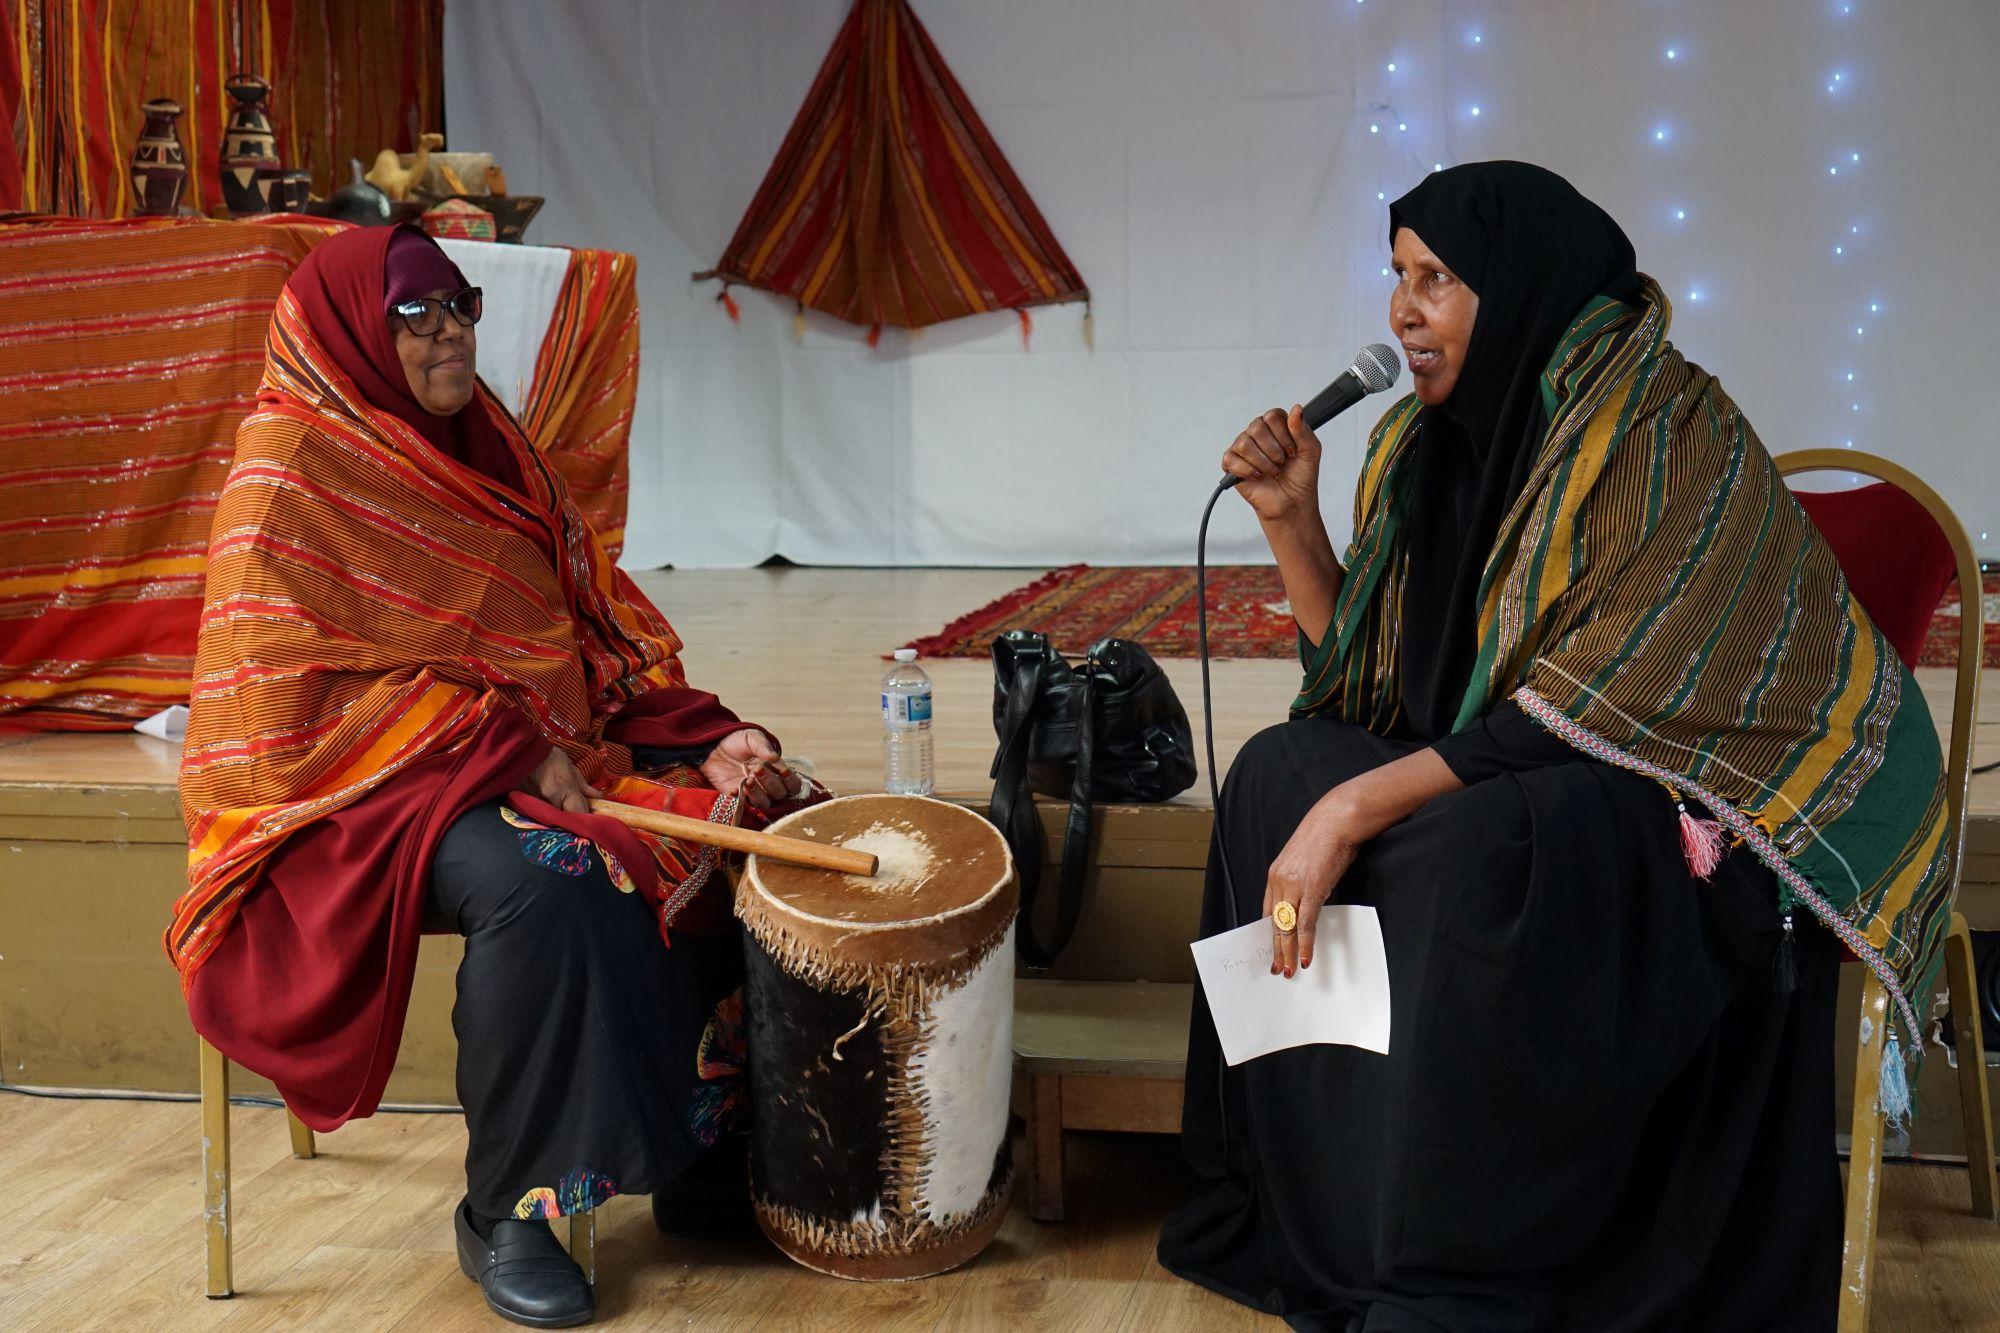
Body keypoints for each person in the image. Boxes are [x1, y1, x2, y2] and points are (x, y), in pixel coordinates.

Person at [1158, 162, 1951, 1330]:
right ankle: (1329, 1214)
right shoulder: (1421, 448)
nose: (1401, 311)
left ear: (1520, 284)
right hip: (1519, 773)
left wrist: (1353, 811)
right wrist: (1288, 520)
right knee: (1280, 771)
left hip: (1690, 805)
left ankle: (1471, 1259)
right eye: (1396, 277)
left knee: (1484, 844)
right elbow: (1379, 682)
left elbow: (1605, 699)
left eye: (1435, 279)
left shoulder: (1662, 427)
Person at [168, 224, 810, 1329]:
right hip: (349, 794)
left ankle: (702, 1158)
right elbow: (275, 709)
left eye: (457, 304)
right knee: (551, 881)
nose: (448, 331)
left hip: (512, 748)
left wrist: (695, 731)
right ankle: (505, 1208)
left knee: (739, 820)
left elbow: (582, 615)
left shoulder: (487, 440)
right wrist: (498, 743)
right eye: (413, 316)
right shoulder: (287, 474)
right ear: (349, 340)